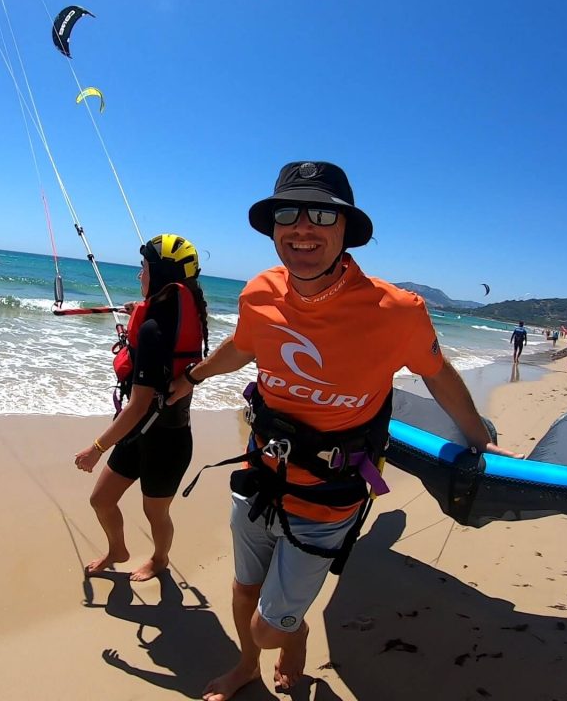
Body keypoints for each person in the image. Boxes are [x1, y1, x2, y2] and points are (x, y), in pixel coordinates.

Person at [167, 161, 521, 699]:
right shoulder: (259, 292)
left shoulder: (397, 311)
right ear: (273, 228)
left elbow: (438, 372)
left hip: (330, 498)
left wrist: (478, 438)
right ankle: (247, 666)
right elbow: (242, 346)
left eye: (322, 214)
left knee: (270, 624)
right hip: (259, 474)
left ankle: (286, 635)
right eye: (288, 212)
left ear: (344, 230)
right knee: (244, 588)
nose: (303, 226)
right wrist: (192, 376)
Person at [74, 233, 210, 582]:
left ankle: (160, 560)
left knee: (156, 513)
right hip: (140, 435)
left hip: (168, 440)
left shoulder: (154, 330)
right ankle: (117, 549)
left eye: (143, 268)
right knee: (102, 499)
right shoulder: (170, 313)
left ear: (161, 275)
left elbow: (136, 407)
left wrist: (96, 449)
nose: (139, 276)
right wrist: (140, 312)